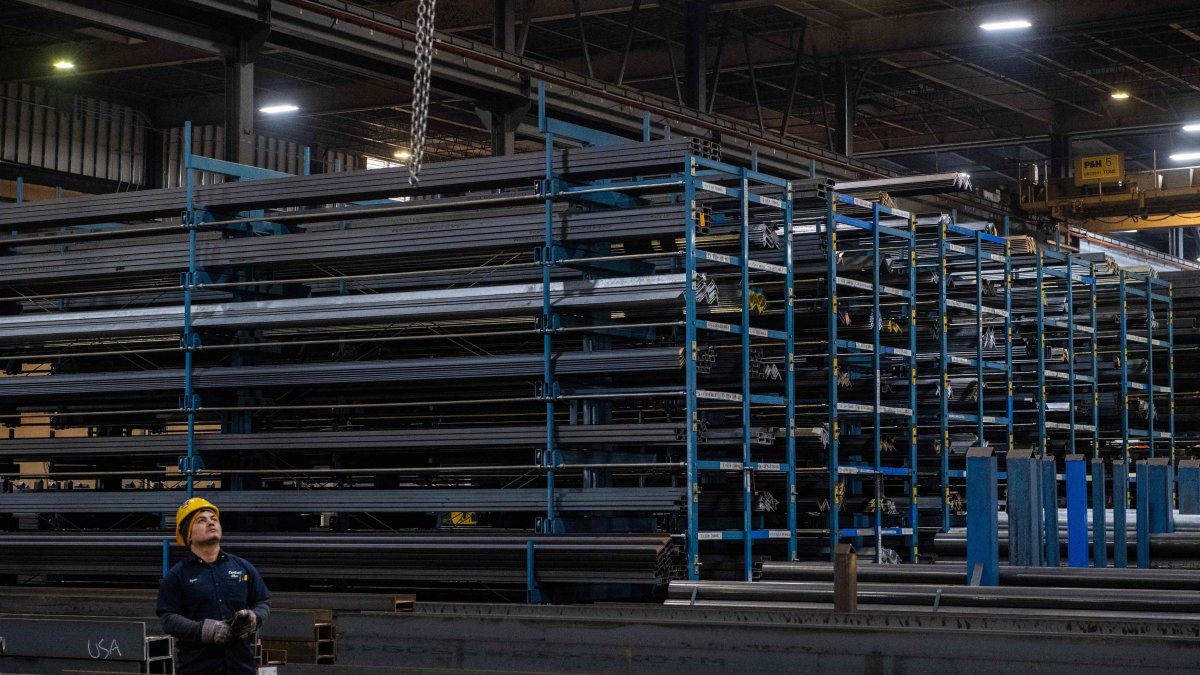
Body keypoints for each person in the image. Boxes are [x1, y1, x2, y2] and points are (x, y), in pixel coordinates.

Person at [156, 497, 271, 675]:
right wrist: (204, 630)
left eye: (214, 519)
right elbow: (168, 619)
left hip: (241, 667)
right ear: (188, 534)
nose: (211, 523)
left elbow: (262, 601)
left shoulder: (243, 567)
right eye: (201, 521)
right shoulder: (177, 575)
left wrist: (254, 617)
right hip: (197, 668)